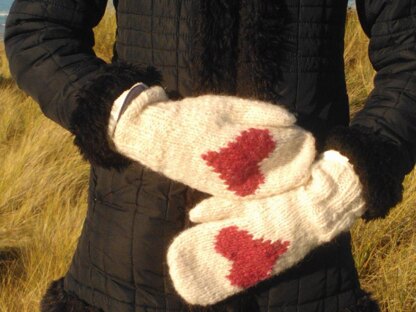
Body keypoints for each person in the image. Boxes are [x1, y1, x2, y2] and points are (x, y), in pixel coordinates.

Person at [4, 0, 416, 311]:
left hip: (306, 276)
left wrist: (334, 192)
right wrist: (138, 122)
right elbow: (39, 30)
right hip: (124, 274)